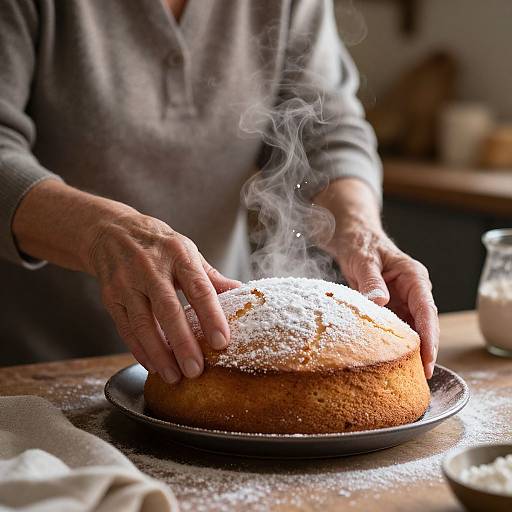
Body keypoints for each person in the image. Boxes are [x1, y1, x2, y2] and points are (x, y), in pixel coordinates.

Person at [0, 0, 439, 383]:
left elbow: (325, 131)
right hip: (37, 367)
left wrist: (359, 229)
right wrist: (100, 233)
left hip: (218, 358)